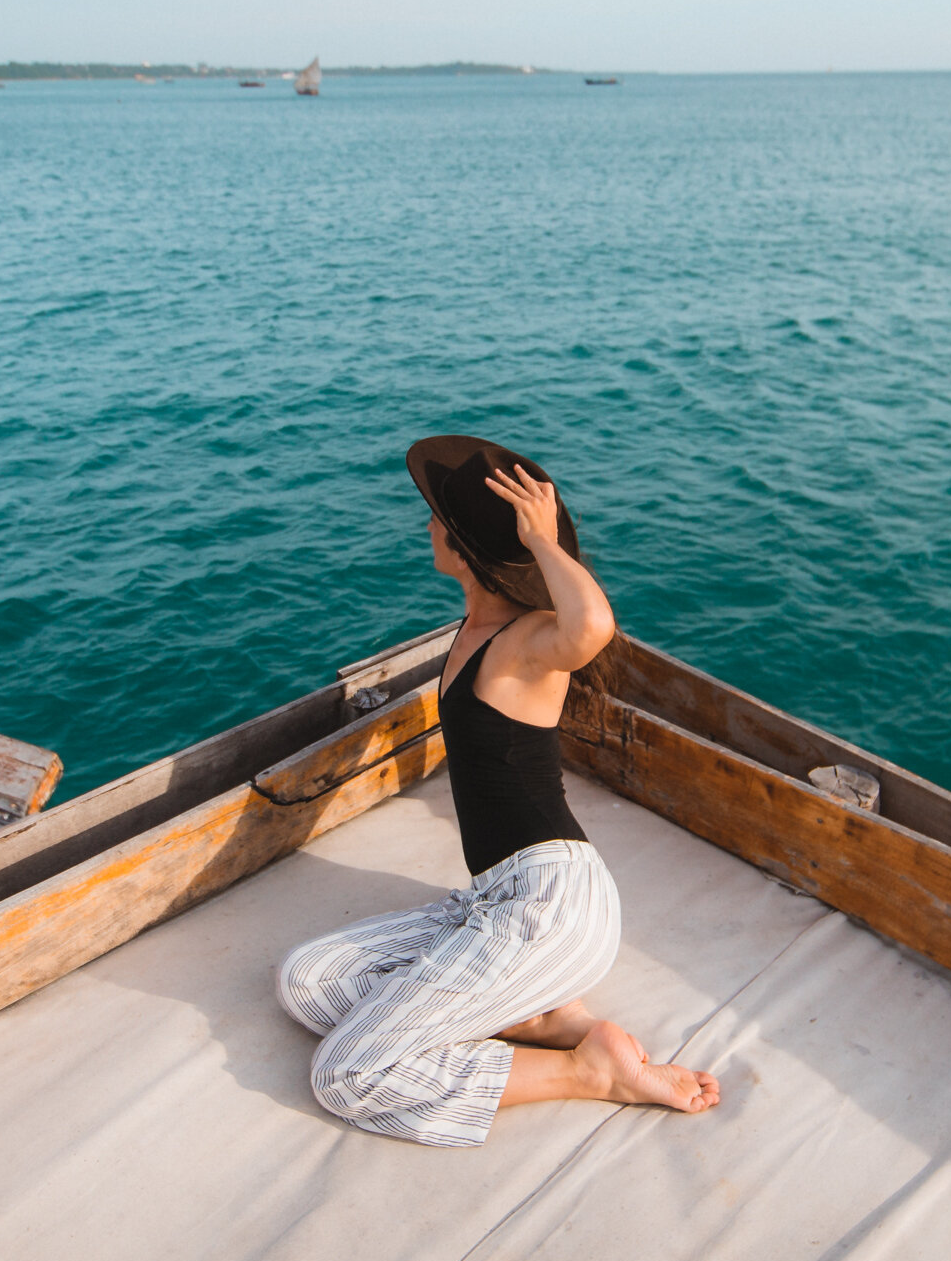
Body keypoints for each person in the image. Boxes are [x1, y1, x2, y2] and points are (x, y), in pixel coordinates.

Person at [276, 436, 722, 1146]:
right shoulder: (476, 627)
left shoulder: (525, 641)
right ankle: (546, 1020)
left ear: (465, 549)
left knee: (346, 1074)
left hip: (551, 906)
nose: (426, 524)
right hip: (493, 899)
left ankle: (589, 1071)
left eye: (437, 517)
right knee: (309, 981)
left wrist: (541, 541)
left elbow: (593, 627)